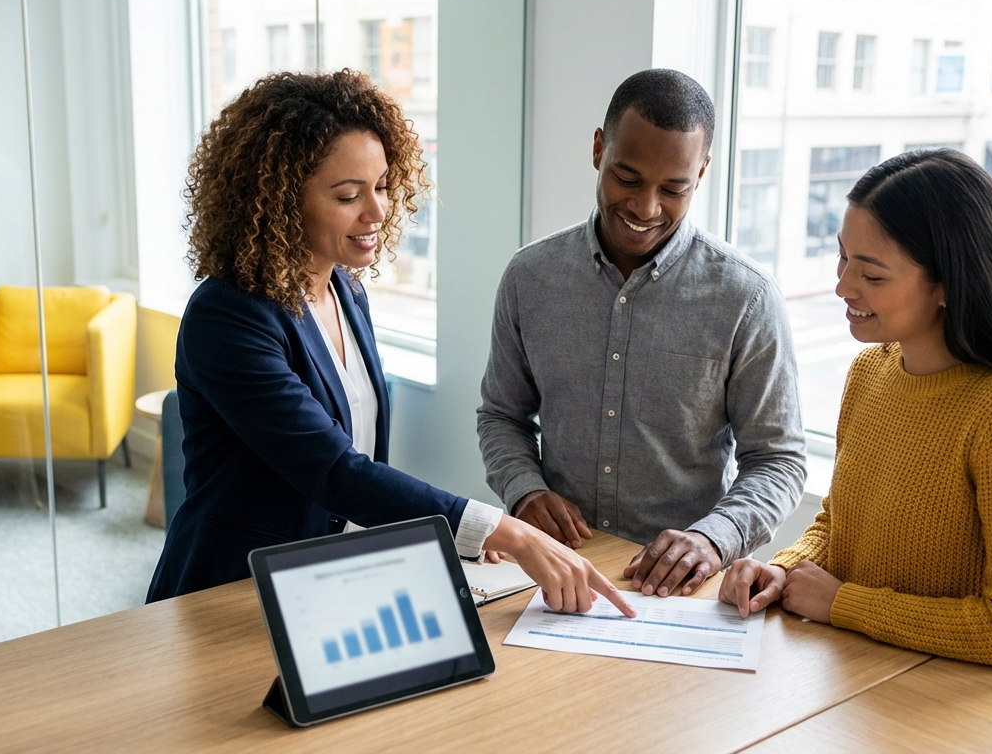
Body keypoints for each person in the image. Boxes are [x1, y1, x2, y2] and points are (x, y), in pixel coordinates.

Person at [147, 70, 634, 618]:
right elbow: (331, 469)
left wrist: (462, 537)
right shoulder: (228, 315)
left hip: (327, 586)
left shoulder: (346, 290)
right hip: (233, 590)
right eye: (349, 195)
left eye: (381, 186)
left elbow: (360, 461)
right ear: (283, 201)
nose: (378, 211)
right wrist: (504, 530)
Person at [719, 149, 992, 671]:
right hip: (856, 680)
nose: (843, 286)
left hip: (946, 711)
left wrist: (844, 604)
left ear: (947, 284)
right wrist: (784, 570)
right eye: (843, 257)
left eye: (873, 274)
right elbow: (840, 527)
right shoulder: (871, 373)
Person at [477, 68, 806, 600]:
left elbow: (778, 460)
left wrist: (713, 539)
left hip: (682, 592)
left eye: (673, 188)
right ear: (598, 149)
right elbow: (501, 415)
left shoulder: (747, 298)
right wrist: (524, 491)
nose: (645, 208)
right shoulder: (529, 277)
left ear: (701, 173)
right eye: (627, 179)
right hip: (558, 571)